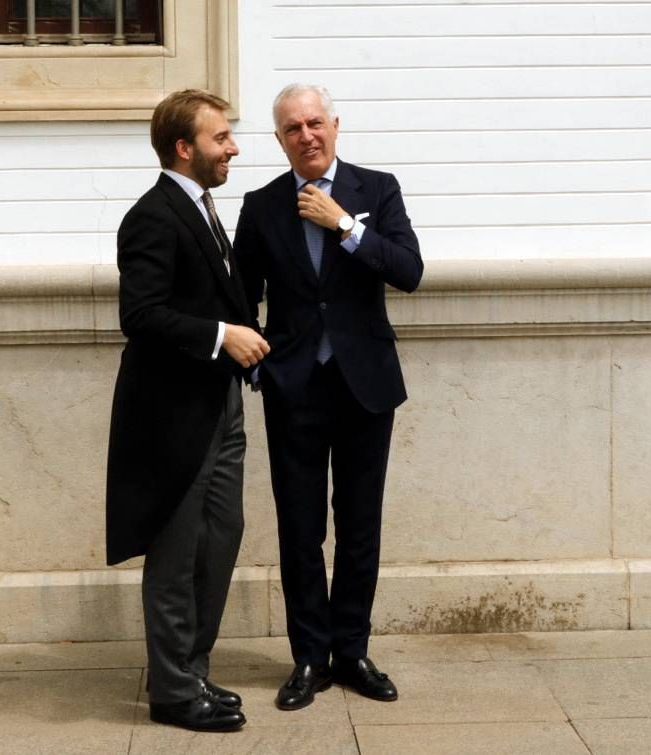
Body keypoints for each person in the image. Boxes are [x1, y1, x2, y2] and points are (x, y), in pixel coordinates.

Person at [233, 83, 423, 710]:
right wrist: (259, 363)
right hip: (295, 389)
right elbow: (240, 296)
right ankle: (309, 660)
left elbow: (409, 271)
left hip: (365, 385)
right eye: (293, 128)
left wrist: (342, 224)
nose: (307, 136)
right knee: (299, 529)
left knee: (360, 526)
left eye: (315, 123)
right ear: (280, 139)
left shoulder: (377, 190)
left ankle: (353, 652)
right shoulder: (261, 207)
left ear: (335, 126)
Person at [105, 89, 269, 732]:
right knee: (176, 555)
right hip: (173, 418)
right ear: (184, 147)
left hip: (220, 407)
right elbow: (140, 316)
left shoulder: (201, 210)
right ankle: (173, 693)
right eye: (220, 137)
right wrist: (221, 335)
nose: (232, 148)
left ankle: (193, 670)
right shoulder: (152, 216)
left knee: (217, 542)